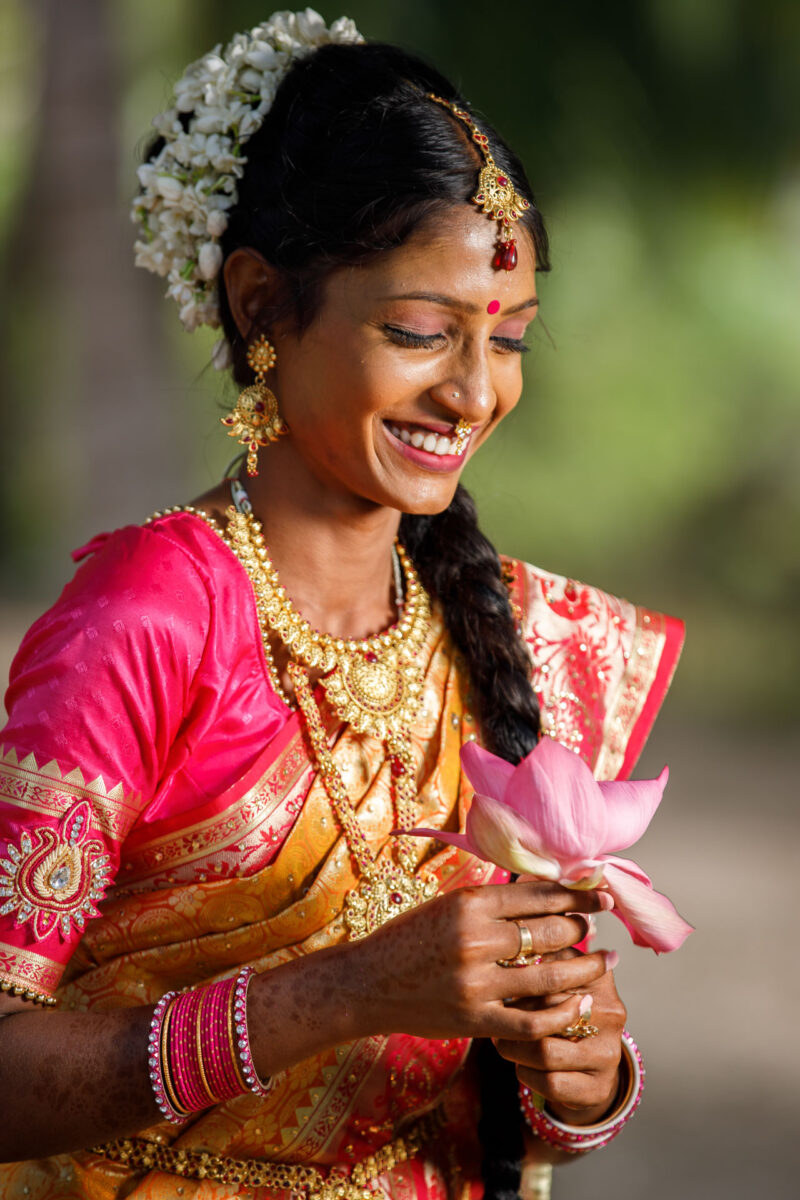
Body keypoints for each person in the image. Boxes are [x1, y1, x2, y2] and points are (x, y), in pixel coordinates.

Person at [0, 12, 684, 1200]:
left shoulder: (517, 634)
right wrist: (341, 993)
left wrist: (581, 1078)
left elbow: (512, 1096)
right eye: (419, 333)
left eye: (509, 339)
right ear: (262, 306)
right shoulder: (149, 619)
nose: (473, 392)